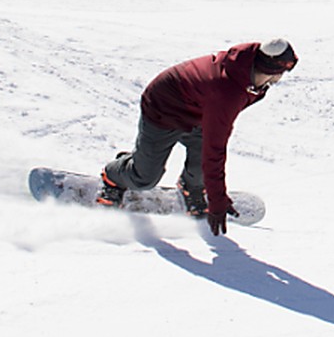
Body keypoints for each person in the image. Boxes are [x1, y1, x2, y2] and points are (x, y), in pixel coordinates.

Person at [99, 39, 299, 234]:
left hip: (198, 113)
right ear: (273, 71)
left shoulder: (250, 72)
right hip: (163, 109)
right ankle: (114, 175)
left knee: (199, 168)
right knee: (143, 179)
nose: (279, 79)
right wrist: (217, 202)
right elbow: (215, 150)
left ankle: (190, 186)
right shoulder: (227, 91)